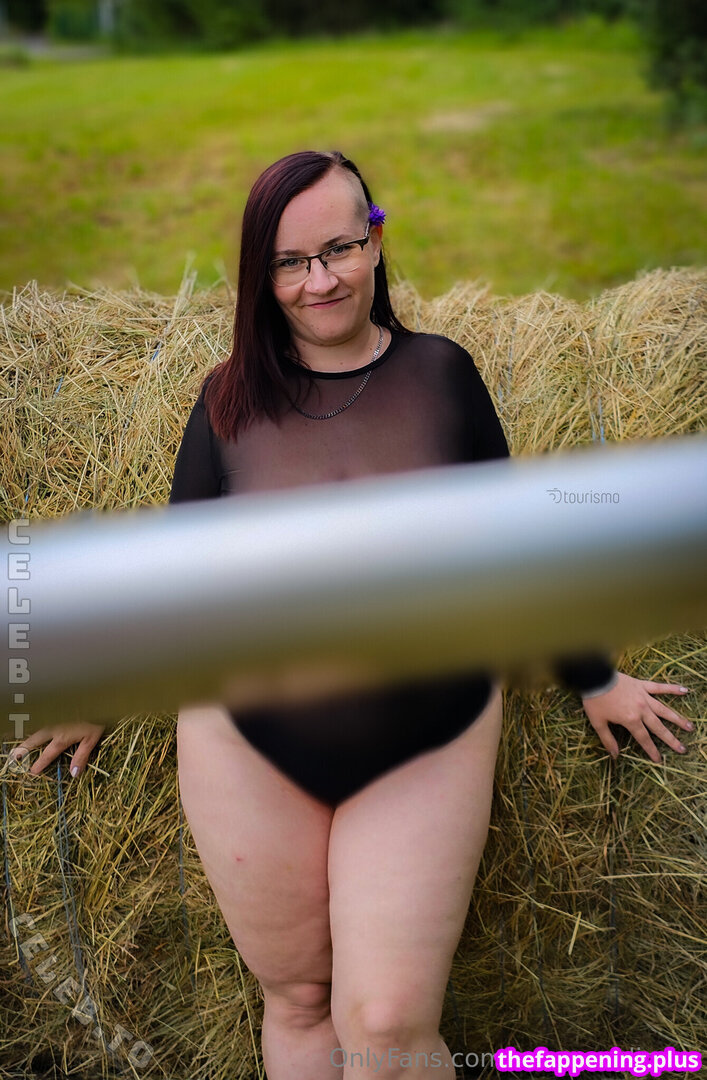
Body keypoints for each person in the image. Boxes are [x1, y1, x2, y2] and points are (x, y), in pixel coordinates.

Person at [10, 151, 693, 1079]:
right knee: (298, 1001)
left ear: (375, 239)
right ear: (261, 275)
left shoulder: (442, 376)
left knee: (386, 1026)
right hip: (248, 737)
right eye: (289, 262)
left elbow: (515, 545)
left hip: (424, 729)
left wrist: (594, 677)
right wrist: (99, 690)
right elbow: (179, 571)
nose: (319, 280)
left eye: (337, 248)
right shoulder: (226, 401)